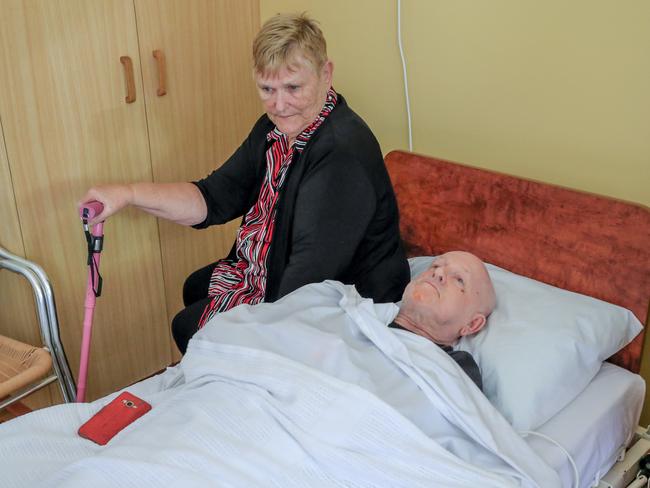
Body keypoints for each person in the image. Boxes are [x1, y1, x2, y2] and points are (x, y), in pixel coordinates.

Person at [78, 13, 410, 354]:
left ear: (326, 74)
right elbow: (212, 197)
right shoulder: (274, 130)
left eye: (293, 87)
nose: (279, 105)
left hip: (340, 296)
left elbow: (304, 285)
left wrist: (251, 338)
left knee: (187, 327)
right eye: (267, 89)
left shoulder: (341, 154)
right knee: (195, 287)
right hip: (283, 267)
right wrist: (127, 194)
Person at [390, 251, 497, 389]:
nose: (438, 272)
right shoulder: (364, 313)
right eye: (435, 266)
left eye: (459, 279)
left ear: (472, 324)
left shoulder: (456, 368)